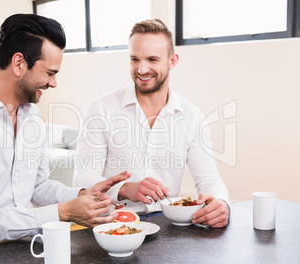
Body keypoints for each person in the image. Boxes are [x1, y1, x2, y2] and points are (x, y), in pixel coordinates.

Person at [0, 14, 130, 254]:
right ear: (18, 63)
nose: (54, 83)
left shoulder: (31, 118)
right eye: (49, 73)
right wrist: (64, 211)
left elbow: (37, 187)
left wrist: (83, 195)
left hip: (20, 247)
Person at [74, 19, 231, 227]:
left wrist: (222, 203)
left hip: (166, 225)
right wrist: (124, 188)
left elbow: (207, 179)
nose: (141, 69)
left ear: (172, 61)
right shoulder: (100, 109)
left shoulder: (192, 117)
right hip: (109, 225)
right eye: (134, 59)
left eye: (152, 59)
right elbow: (81, 179)